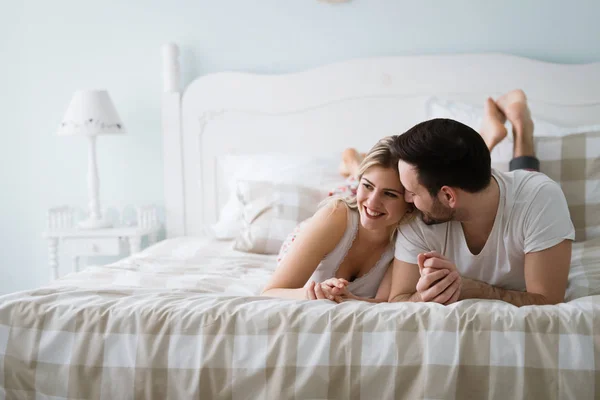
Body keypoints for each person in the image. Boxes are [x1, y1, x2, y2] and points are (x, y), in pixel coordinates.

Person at [388, 89, 575, 306]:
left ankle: (522, 127)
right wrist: (425, 295)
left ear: (448, 195)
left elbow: (547, 302)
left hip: (523, 192)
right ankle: (494, 133)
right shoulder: (418, 218)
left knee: (529, 178)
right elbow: (398, 303)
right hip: (481, 190)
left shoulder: (540, 199)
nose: (407, 200)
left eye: (412, 192)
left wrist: (476, 290)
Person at [261, 137, 411, 303]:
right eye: (367, 185)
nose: (373, 202)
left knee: (360, 194)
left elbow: (387, 302)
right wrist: (312, 292)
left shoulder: (410, 236)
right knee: (345, 194)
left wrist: (351, 299)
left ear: (410, 200)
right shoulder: (333, 215)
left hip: (358, 208)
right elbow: (270, 292)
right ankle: (352, 162)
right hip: (319, 226)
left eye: (390, 194)